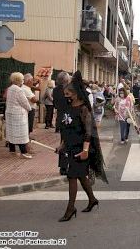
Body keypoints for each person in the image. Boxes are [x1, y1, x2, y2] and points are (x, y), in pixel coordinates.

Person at [56, 71, 107, 222]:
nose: (66, 96)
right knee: (79, 176)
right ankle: (92, 199)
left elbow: (88, 133)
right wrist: (62, 145)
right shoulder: (68, 107)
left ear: (77, 93)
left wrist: (85, 150)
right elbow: (66, 129)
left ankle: (70, 209)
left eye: (68, 93)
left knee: (73, 176)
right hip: (69, 147)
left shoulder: (84, 109)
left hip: (81, 148)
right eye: (65, 93)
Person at [5, 72, 32, 159]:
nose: (23, 81)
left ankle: (12, 150)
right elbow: (24, 102)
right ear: (19, 80)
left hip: (10, 113)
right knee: (21, 133)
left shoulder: (10, 88)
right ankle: (23, 152)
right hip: (18, 115)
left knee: (11, 132)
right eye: (22, 79)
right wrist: (29, 109)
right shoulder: (18, 90)